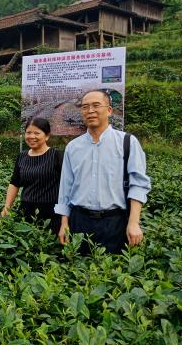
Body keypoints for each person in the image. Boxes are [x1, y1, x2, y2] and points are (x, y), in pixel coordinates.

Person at [55, 89, 151, 254]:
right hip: (79, 221)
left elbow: (139, 184)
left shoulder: (127, 142)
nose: (90, 110)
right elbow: (65, 188)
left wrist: (134, 222)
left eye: (96, 105)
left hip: (115, 222)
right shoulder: (73, 147)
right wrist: (64, 223)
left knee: (113, 267)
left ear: (109, 110)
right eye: (85, 107)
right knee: (78, 266)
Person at [1, 117, 63, 232]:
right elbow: (14, 183)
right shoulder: (22, 156)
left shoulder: (57, 155)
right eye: (28, 132)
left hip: (51, 215)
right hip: (26, 212)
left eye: (37, 133)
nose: (31, 136)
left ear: (47, 136)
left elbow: (67, 185)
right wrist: (7, 206)